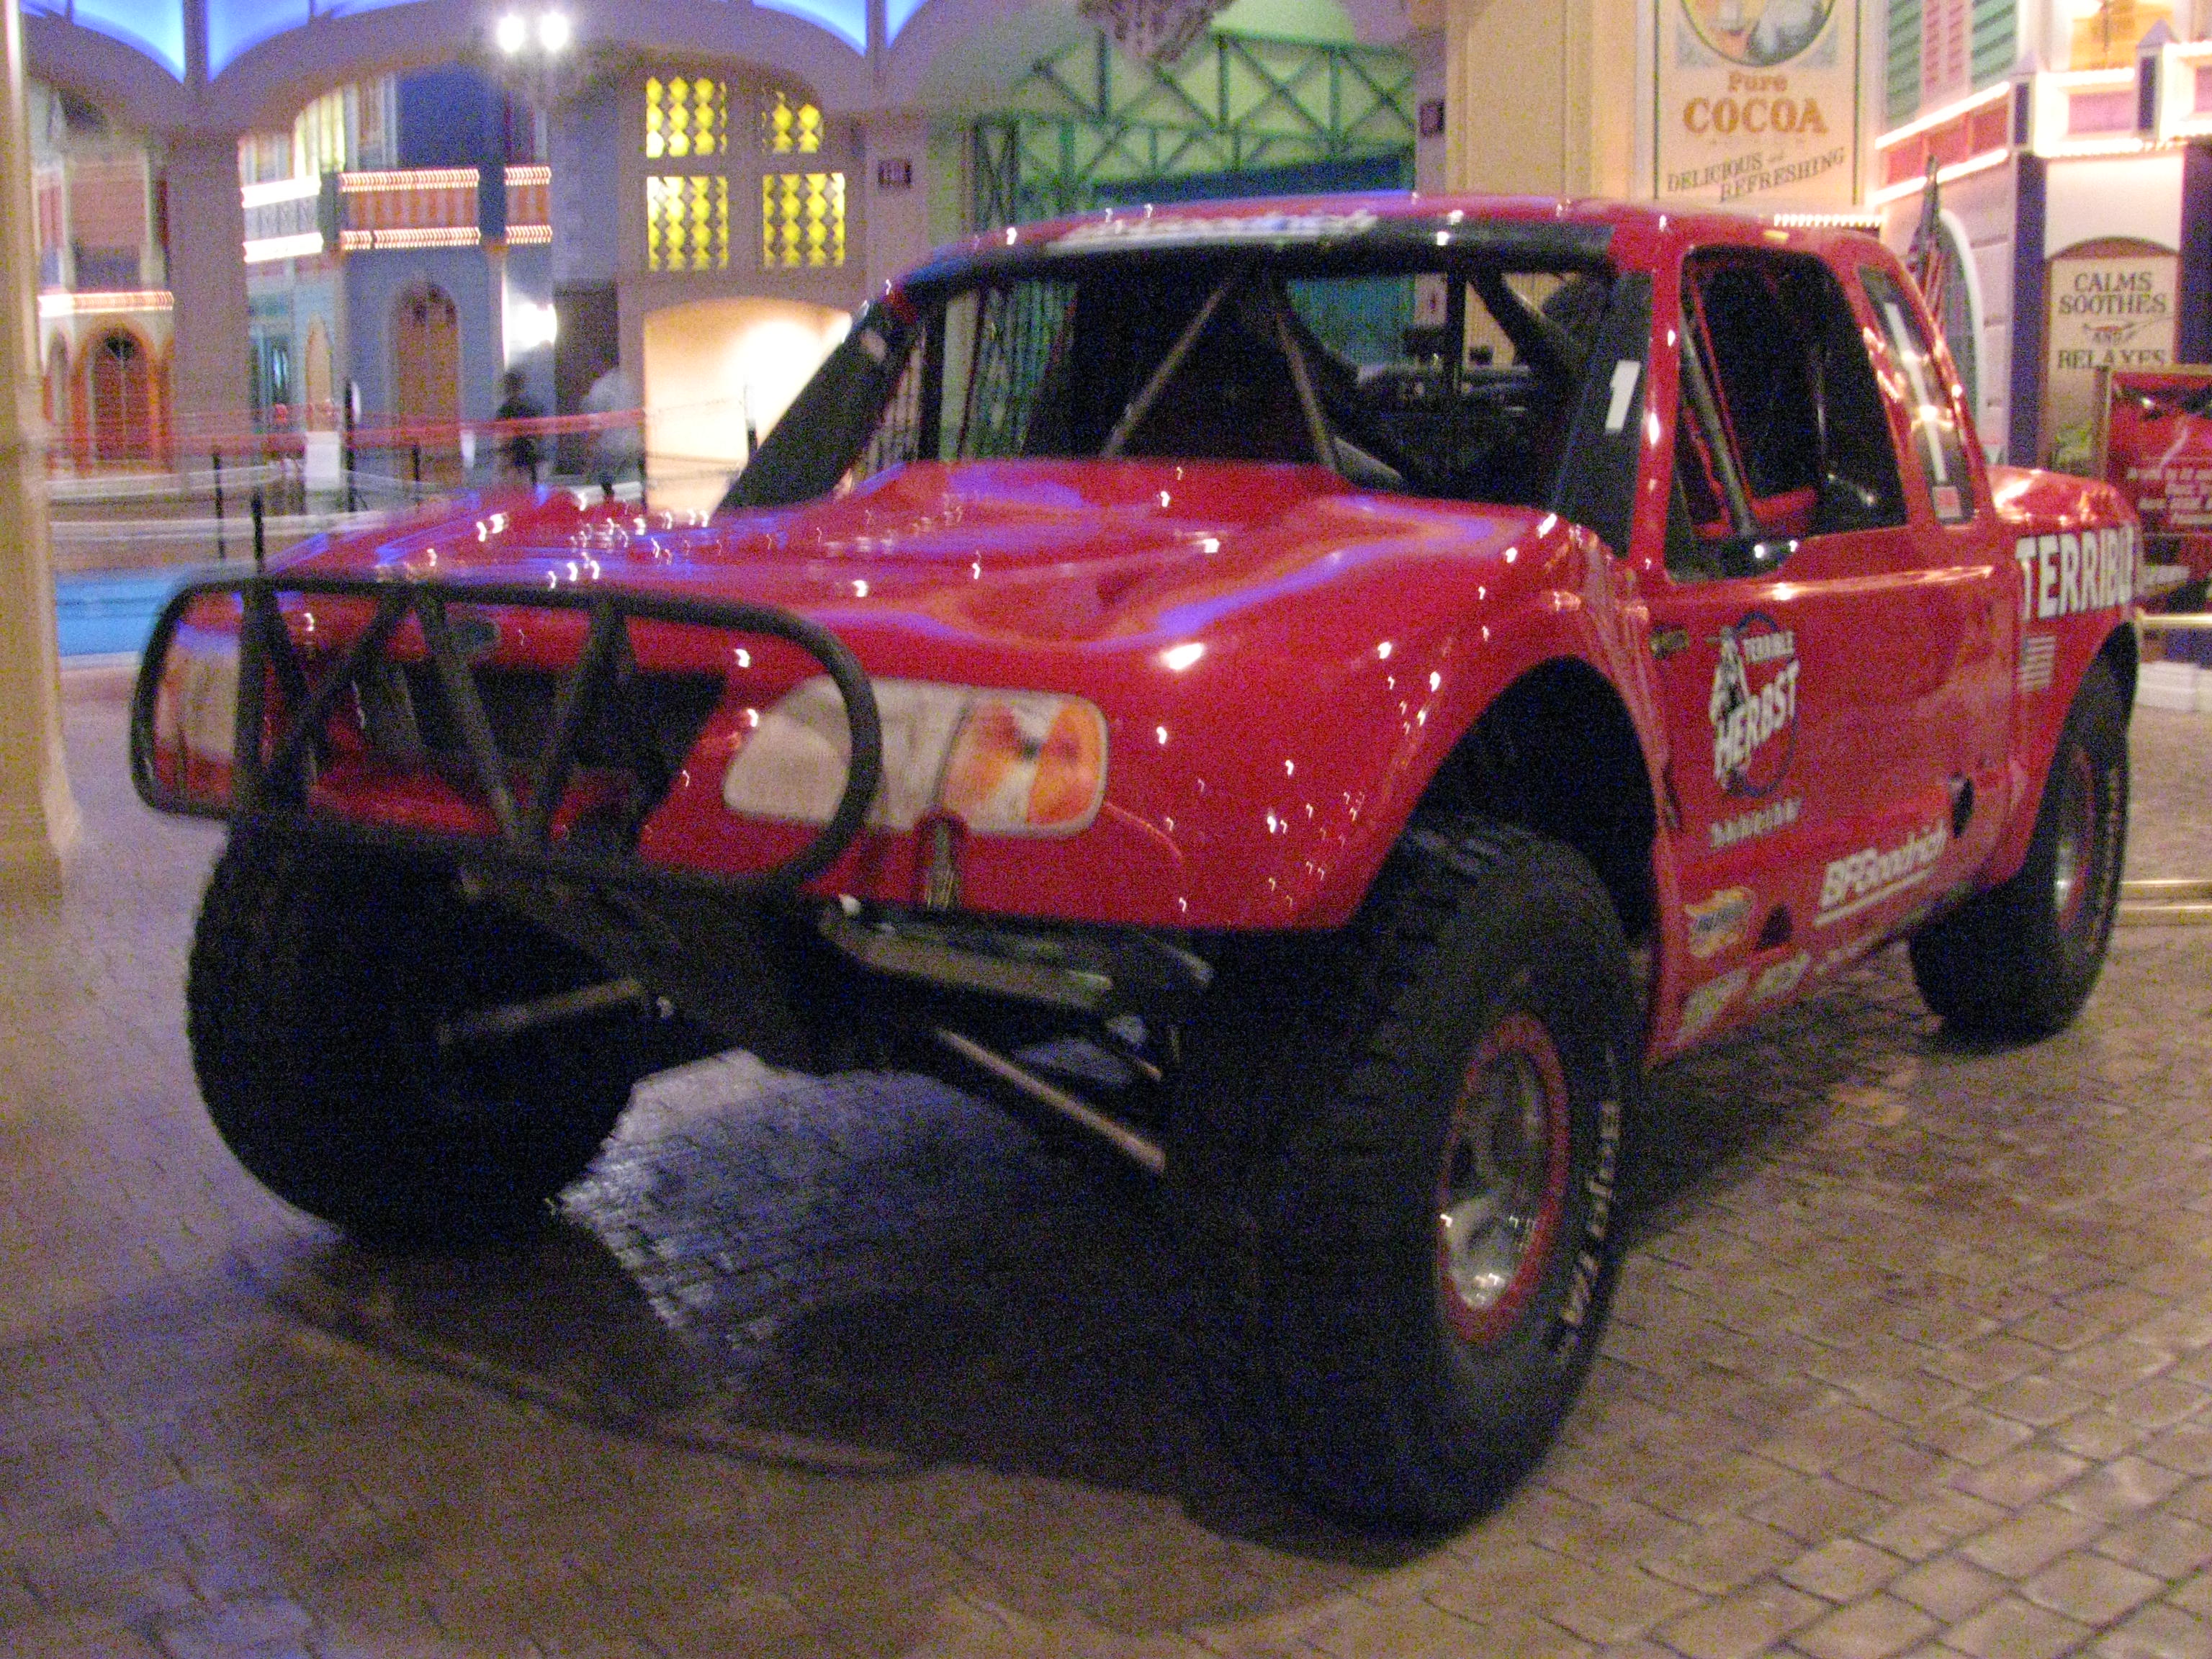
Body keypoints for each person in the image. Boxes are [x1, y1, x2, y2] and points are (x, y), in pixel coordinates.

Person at [583, 361, 643, 499]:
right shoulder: (628, 383)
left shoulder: (600, 389)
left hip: (611, 445)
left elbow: (597, 423)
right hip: (632, 442)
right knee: (638, 482)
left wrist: (590, 447)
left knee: (606, 482)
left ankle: (610, 502)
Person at [495, 369, 542, 486]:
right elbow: (538, 433)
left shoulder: (506, 410)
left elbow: (503, 437)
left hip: (518, 455)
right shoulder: (530, 407)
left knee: (517, 486)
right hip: (526, 454)